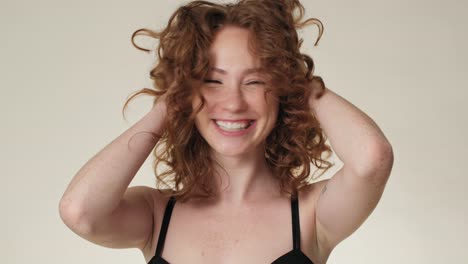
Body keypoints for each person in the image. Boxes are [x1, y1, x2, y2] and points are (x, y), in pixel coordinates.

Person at [59, 0, 394, 263]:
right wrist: (170, 103)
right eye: (212, 81)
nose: (232, 103)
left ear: (280, 87)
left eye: (255, 80)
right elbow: (80, 212)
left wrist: (296, 77)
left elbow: (372, 159)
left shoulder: (310, 214)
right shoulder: (156, 213)